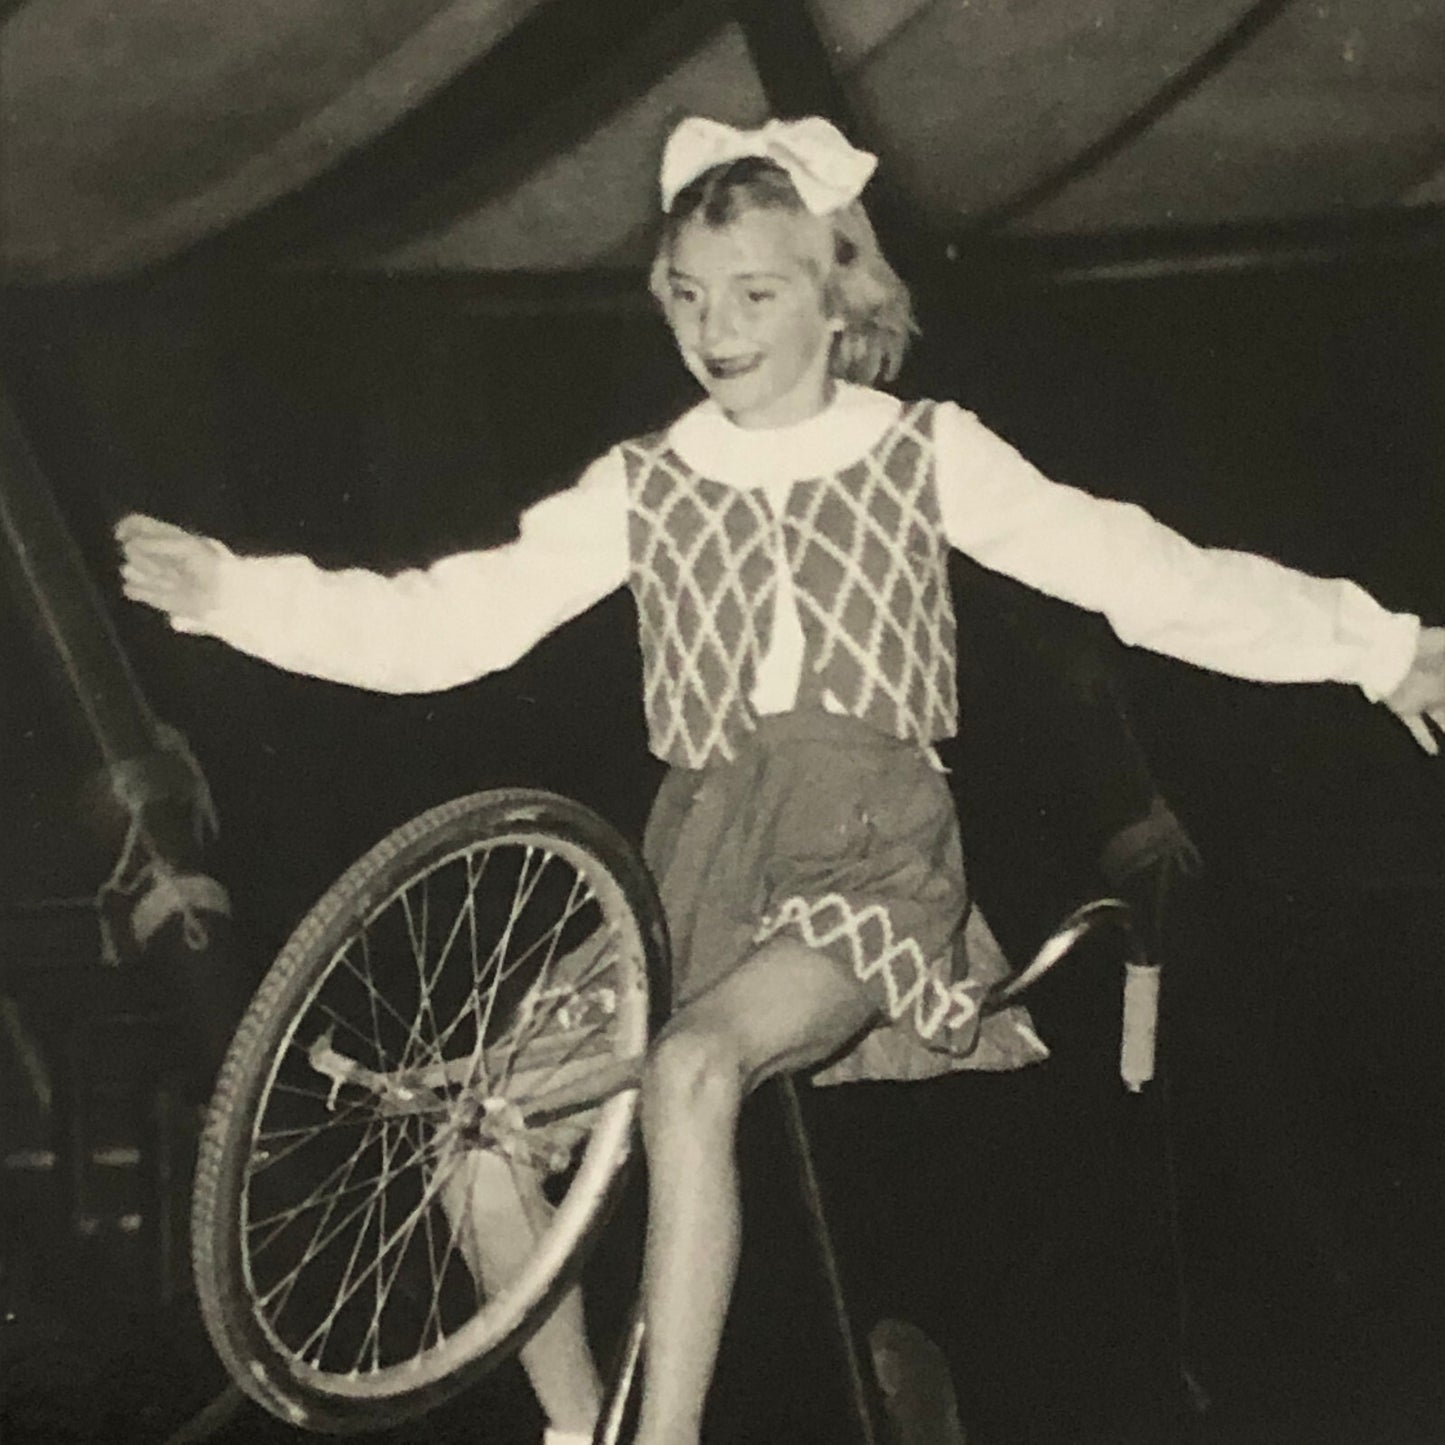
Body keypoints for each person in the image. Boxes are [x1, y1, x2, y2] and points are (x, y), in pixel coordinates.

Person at [117, 114, 1445, 1445]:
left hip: (864, 846)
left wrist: (1378, 650)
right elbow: (445, 624)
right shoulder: (646, 483)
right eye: (688, 295)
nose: (716, 326)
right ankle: (584, 1430)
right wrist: (234, 592)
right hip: (689, 858)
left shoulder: (922, 449)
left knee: (695, 1069)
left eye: (756, 290)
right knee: (473, 1137)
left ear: (838, 289)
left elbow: (1146, 574)